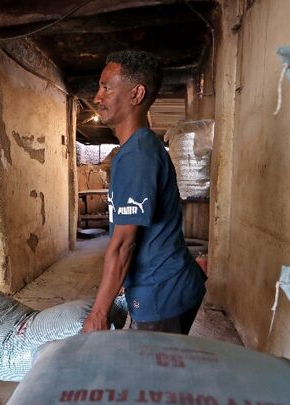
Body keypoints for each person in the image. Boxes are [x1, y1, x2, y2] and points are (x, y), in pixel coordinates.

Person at [82, 51, 206, 335]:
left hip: (162, 294)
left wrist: (99, 313)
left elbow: (124, 245)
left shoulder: (137, 155)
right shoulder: (138, 147)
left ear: (136, 94)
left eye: (106, 87)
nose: (97, 97)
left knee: (153, 377)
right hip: (166, 284)